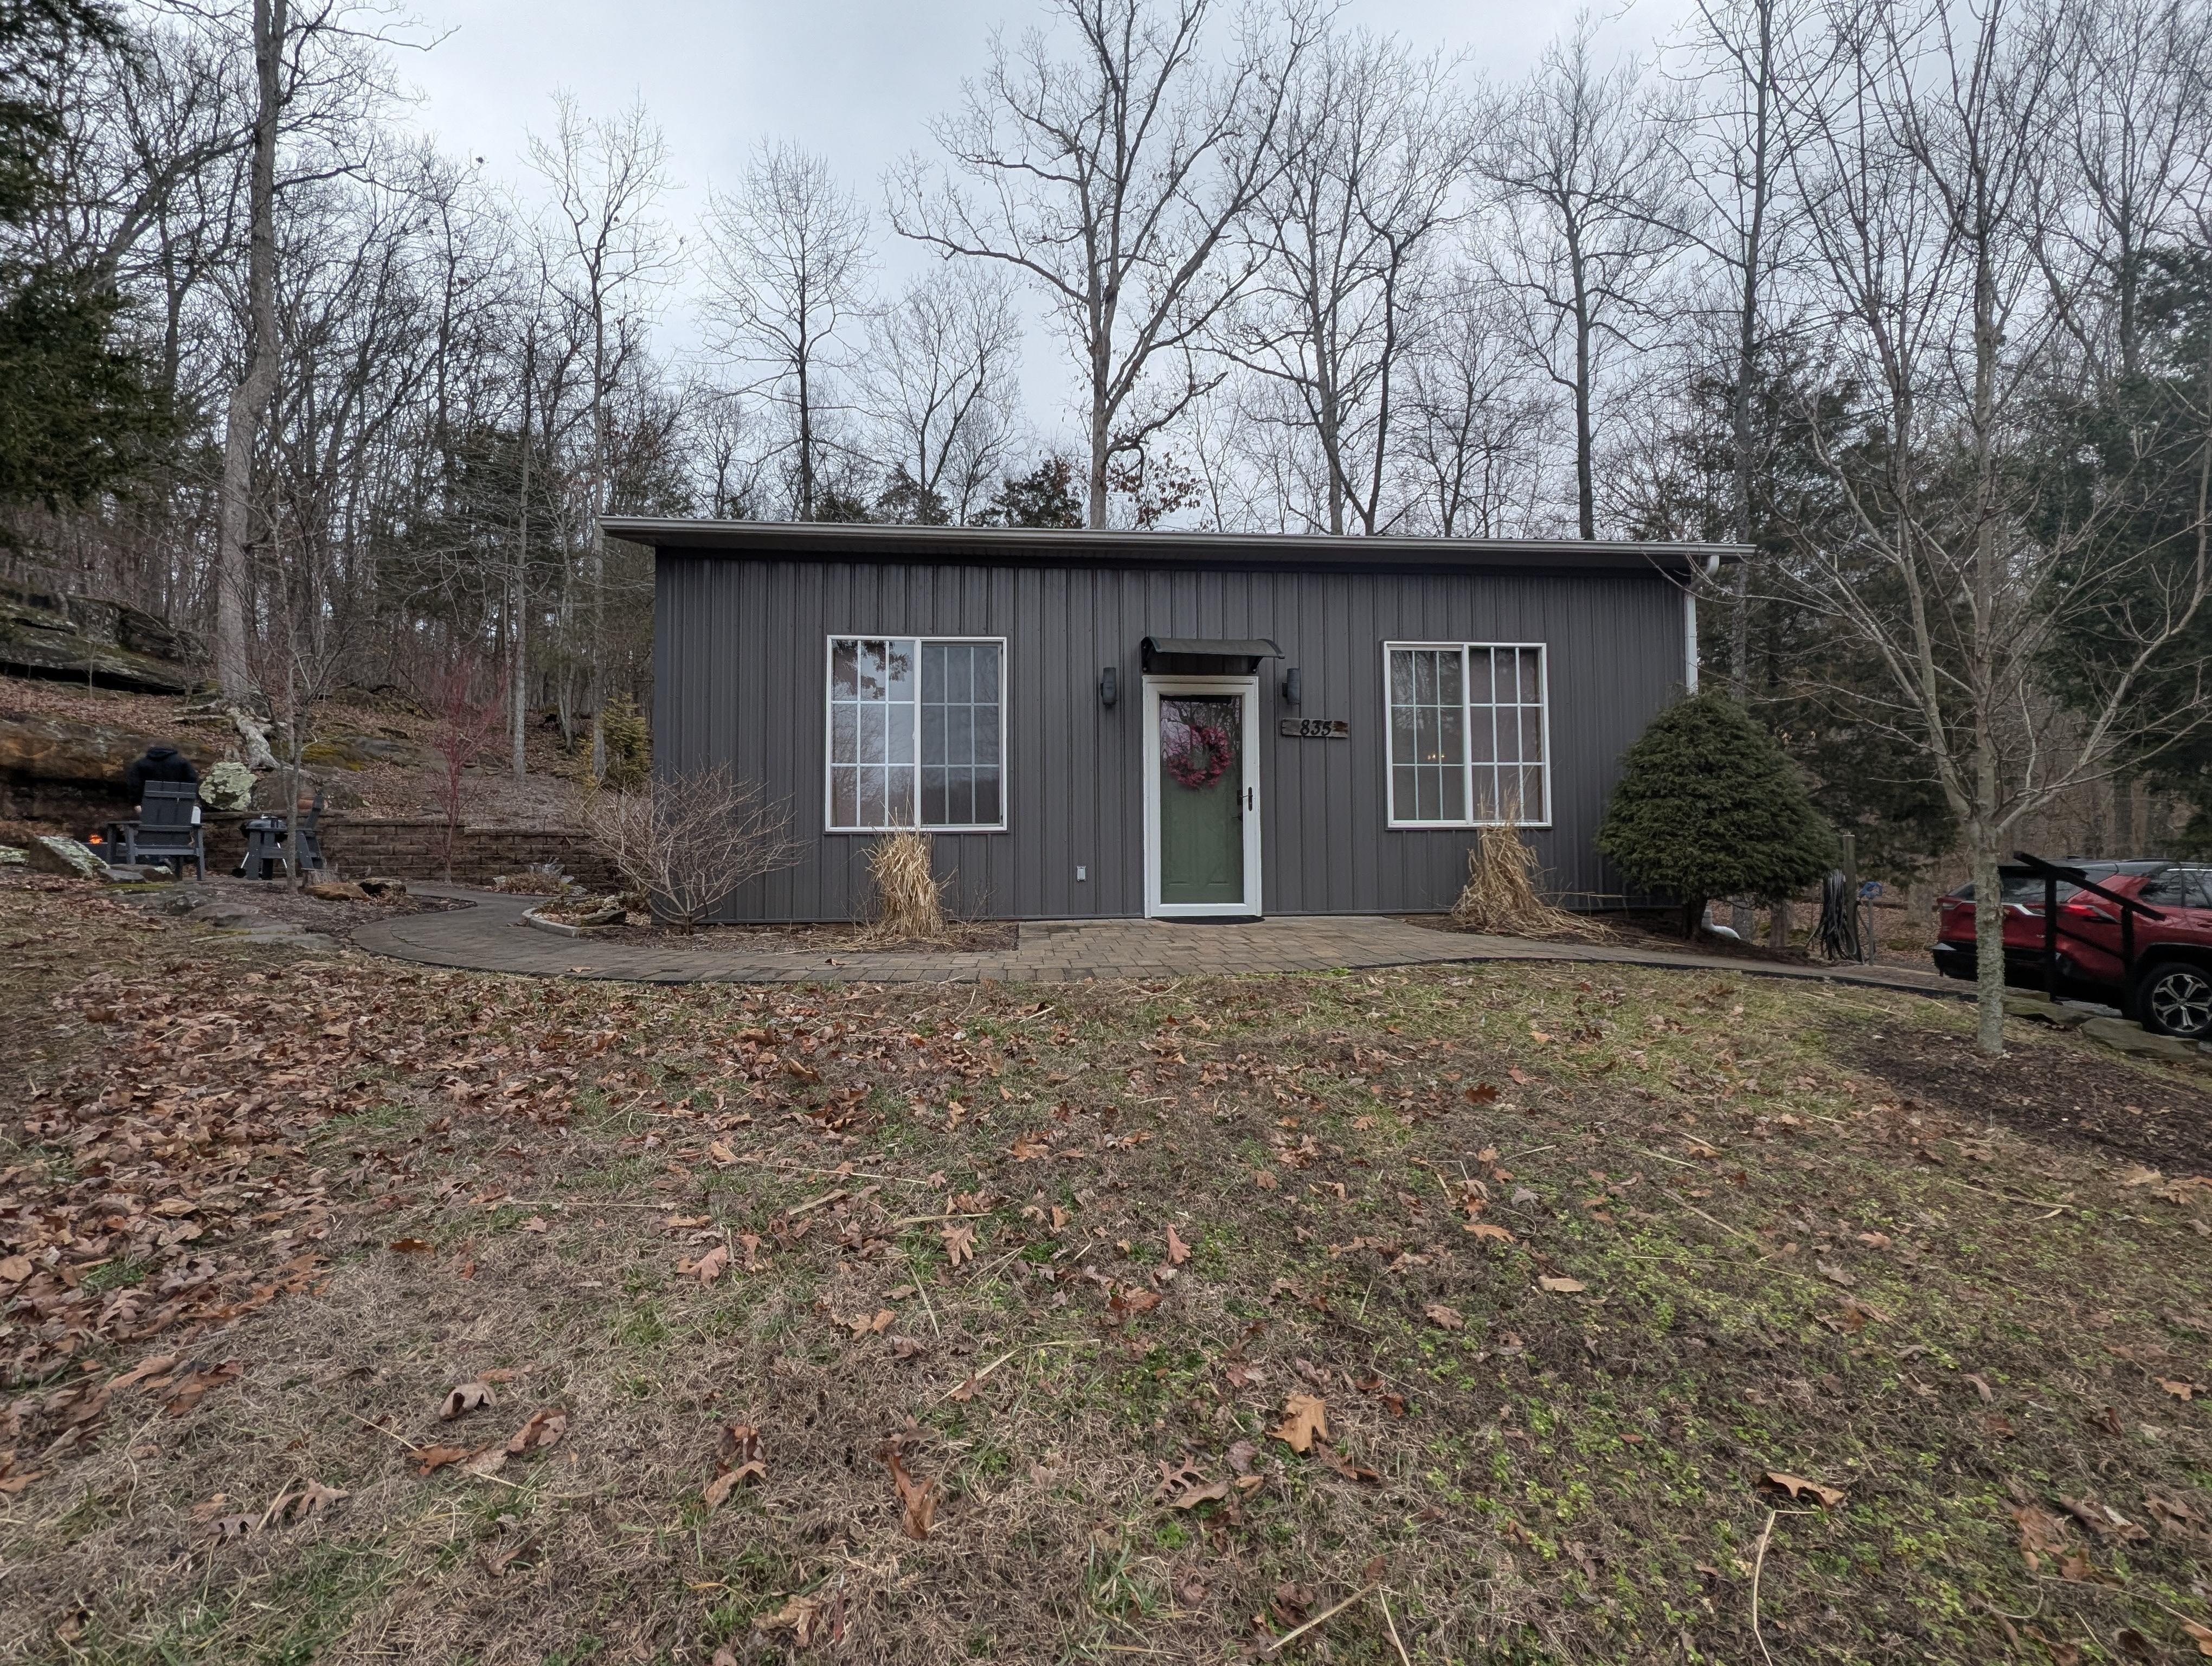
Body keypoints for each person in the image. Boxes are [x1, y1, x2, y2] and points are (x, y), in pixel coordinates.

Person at [122, 742, 199, 808]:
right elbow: (192, 782)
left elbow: (134, 785)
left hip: (148, 808)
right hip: (177, 808)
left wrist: (136, 803)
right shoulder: (183, 763)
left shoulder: (140, 764)